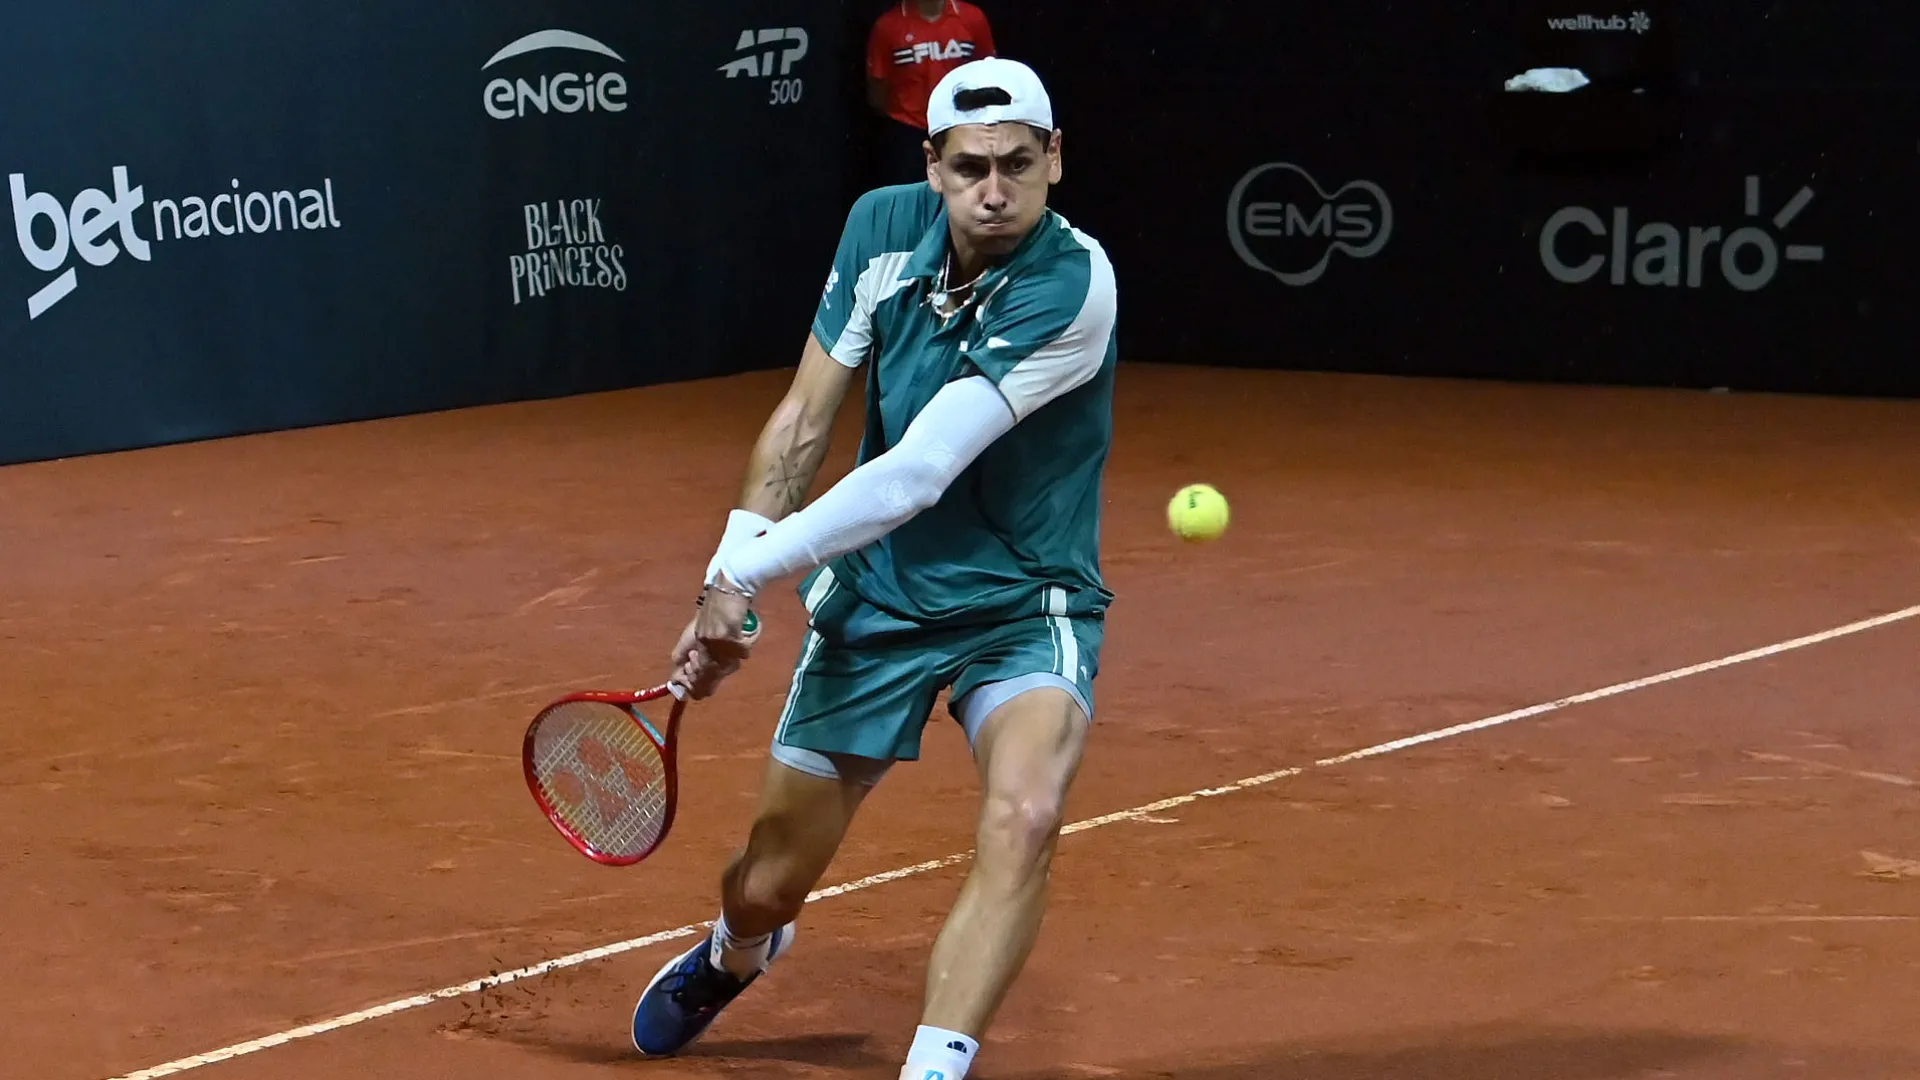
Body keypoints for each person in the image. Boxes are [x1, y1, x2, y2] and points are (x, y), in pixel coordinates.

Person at [629, 57, 1118, 1080]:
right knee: (765, 882)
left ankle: (935, 1065)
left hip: (1025, 604)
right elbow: (806, 419)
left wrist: (753, 574)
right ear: (931, 166)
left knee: (1026, 814)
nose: (995, 190)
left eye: (1019, 165)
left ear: (1056, 160)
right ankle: (738, 953)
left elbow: (917, 474)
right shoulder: (878, 230)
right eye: (971, 167)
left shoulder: (1073, 284)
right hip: (880, 600)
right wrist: (723, 580)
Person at [867, 0, 997, 183]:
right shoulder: (888, 26)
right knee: (909, 200)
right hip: (907, 134)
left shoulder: (972, 18)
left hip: (962, 126)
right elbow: (877, 91)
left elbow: (989, 72)